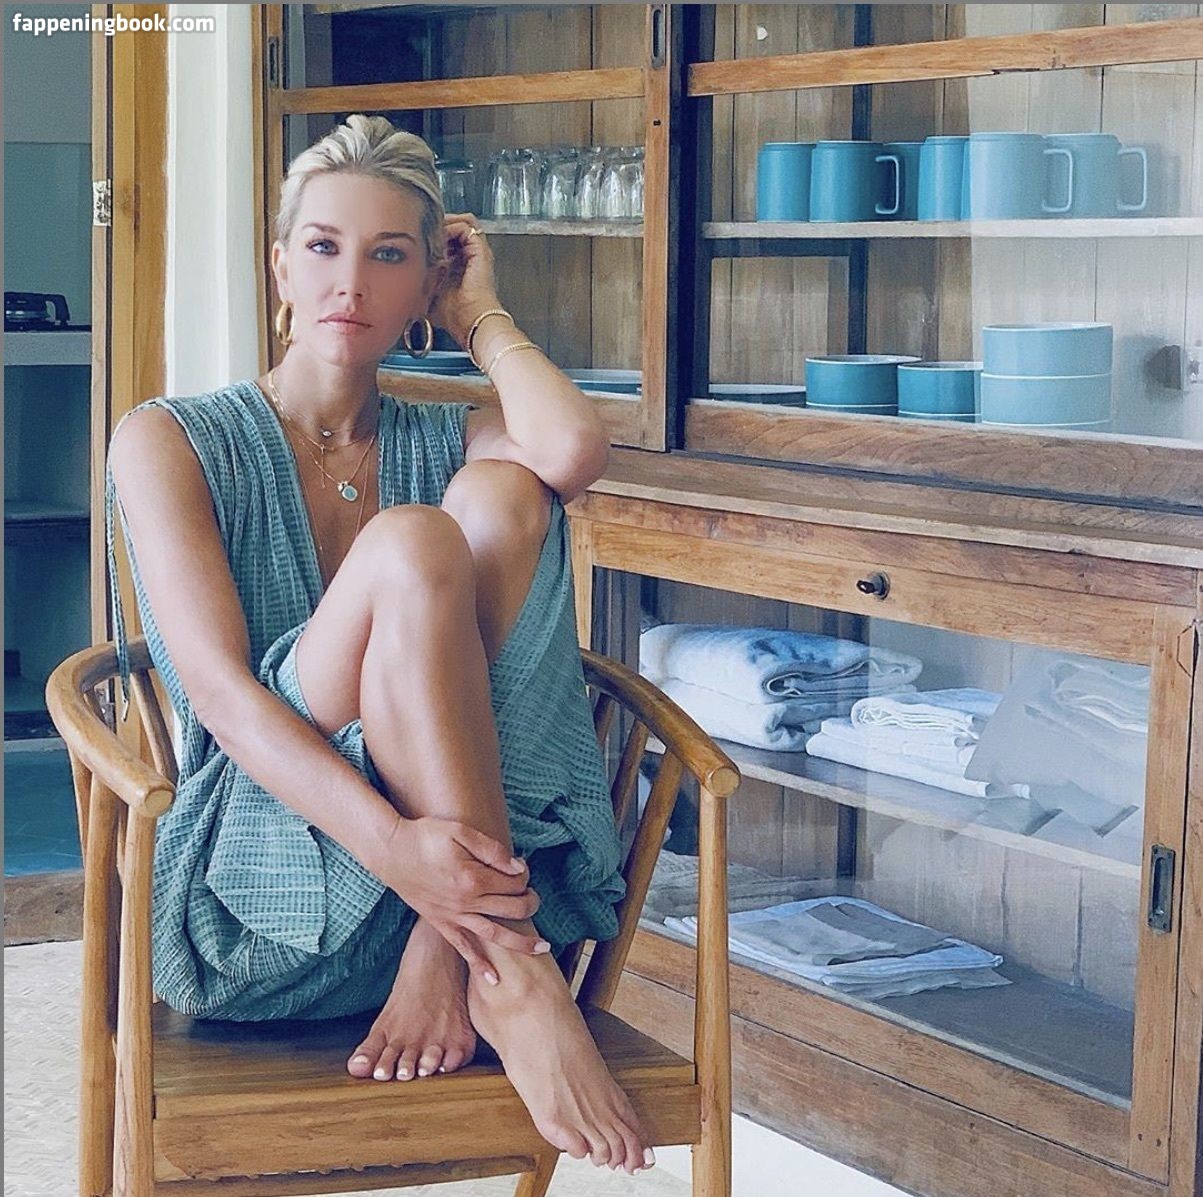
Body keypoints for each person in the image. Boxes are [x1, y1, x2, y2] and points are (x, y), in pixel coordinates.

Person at [105, 113, 655, 1175]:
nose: (348, 282)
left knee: (501, 495)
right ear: (281, 267)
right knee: (412, 540)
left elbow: (571, 449)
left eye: (389, 255)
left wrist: (482, 314)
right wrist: (398, 850)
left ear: (424, 288)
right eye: (322, 246)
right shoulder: (167, 438)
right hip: (270, 870)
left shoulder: (448, 436)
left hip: (436, 895)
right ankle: (512, 970)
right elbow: (221, 697)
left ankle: (452, 954)